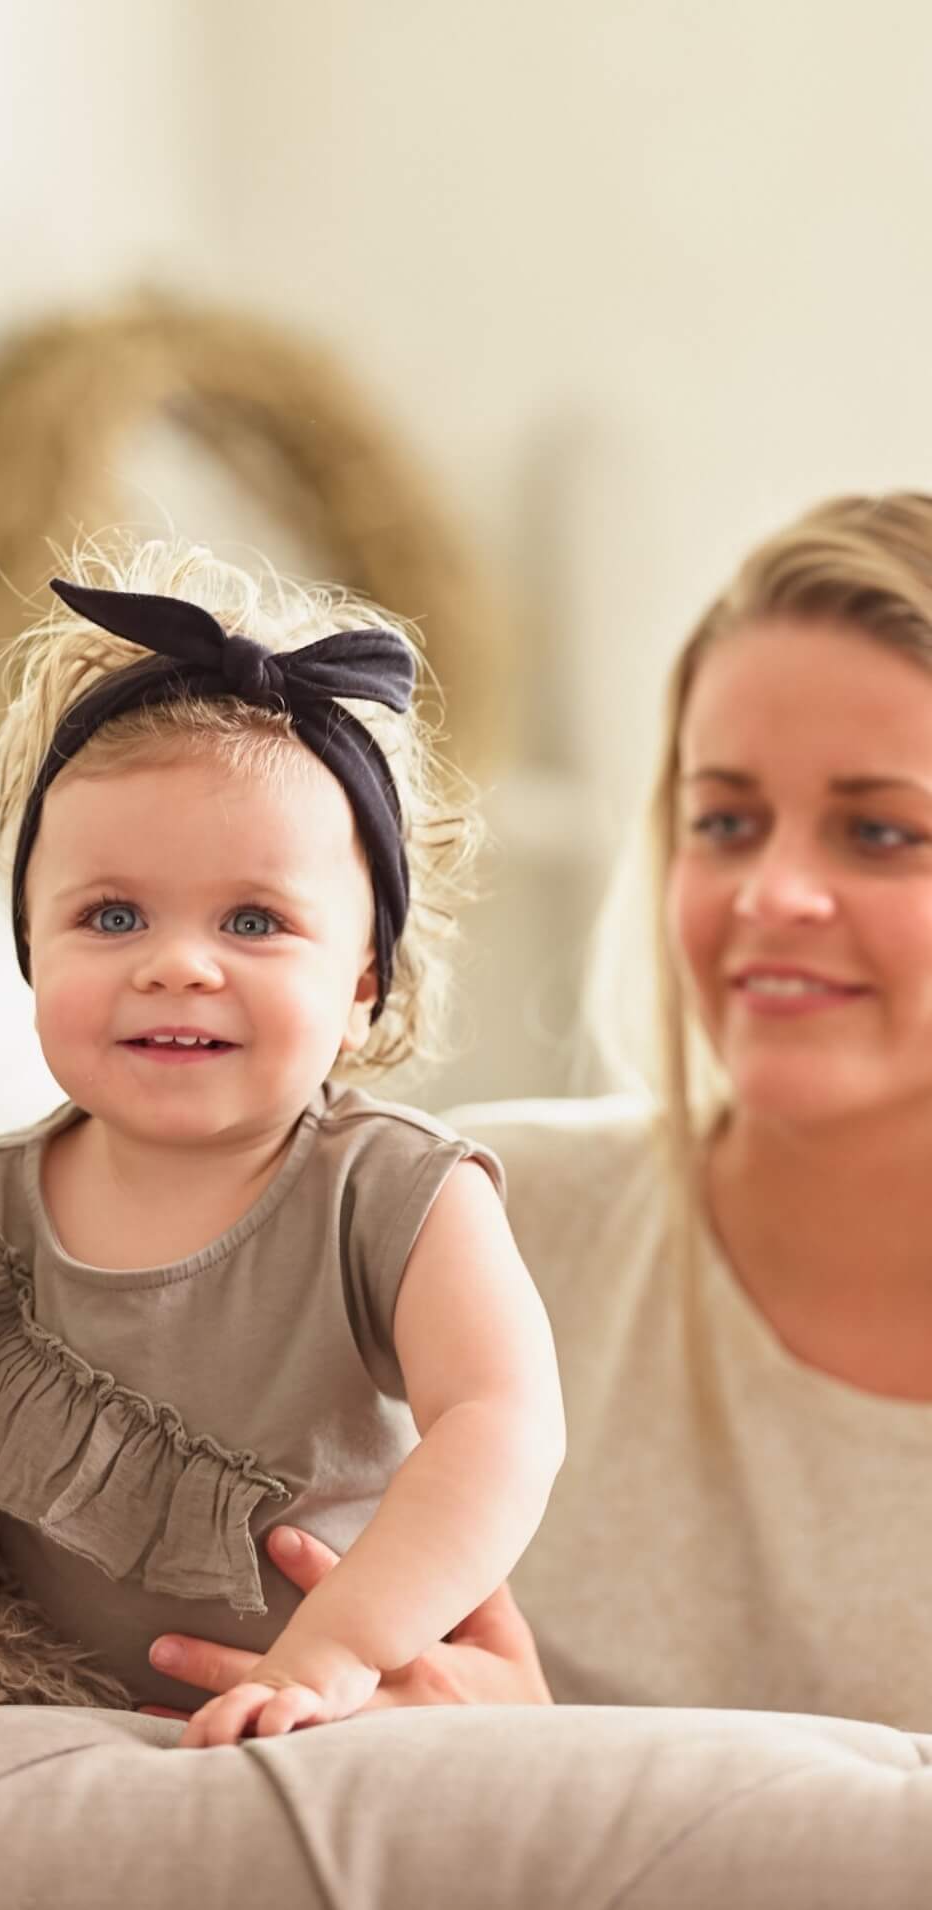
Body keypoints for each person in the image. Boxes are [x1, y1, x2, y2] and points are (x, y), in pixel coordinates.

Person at [0, 537, 565, 1749]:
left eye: (254, 919)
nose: (177, 962)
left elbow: (502, 1420)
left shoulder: (390, 1188)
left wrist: (336, 1652)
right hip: (84, 1733)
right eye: (110, 914)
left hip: (371, 1705)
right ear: (30, 946)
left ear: (364, 977)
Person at [154, 491, 932, 1735]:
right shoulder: (452, 1217)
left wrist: (550, 1766)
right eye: (723, 821)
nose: (773, 891)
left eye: (882, 832)